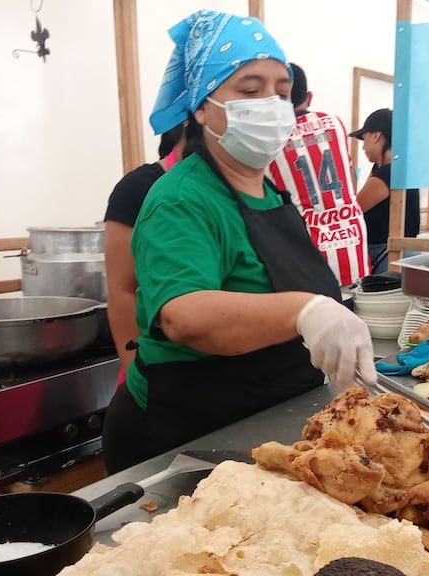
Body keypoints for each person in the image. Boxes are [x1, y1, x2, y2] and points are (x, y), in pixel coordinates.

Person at [101, 9, 375, 474]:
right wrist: (303, 311)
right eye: (249, 90)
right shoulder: (181, 198)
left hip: (268, 419)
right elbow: (185, 315)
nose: (270, 104)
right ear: (202, 106)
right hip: (188, 437)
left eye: (282, 92)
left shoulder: (269, 190)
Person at [268, 63, 370, 286]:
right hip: (352, 238)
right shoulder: (335, 123)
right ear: (309, 97)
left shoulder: (272, 137)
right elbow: (350, 179)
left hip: (307, 250)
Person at [104, 124, 187, 382]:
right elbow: (123, 291)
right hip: (158, 373)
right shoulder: (138, 188)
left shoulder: (257, 187)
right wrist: (136, 375)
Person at [350, 108, 420, 274]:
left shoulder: (387, 173)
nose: (363, 148)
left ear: (376, 136)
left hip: (388, 255)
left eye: (364, 138)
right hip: (402, 253)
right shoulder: (399, 169)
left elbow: (354, 209)